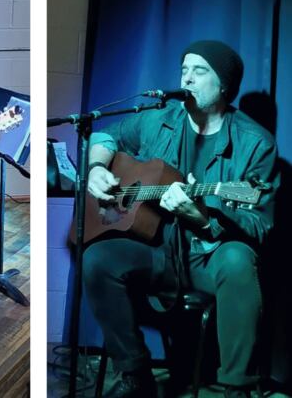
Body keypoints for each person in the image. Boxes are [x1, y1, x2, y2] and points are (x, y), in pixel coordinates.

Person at [83, 40, 278, 398]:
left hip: (208, 257)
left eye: (199, 71)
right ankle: (135, 373)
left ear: (224, 85)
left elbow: (261, 226)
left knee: (238, 259)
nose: (186, 79)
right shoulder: (159, 119)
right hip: (157, 246)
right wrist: (96, 167)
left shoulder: (255, 142)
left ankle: (236, 388)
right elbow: (106, 134)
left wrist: (202, 221)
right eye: (184, 69)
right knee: (97, 259)